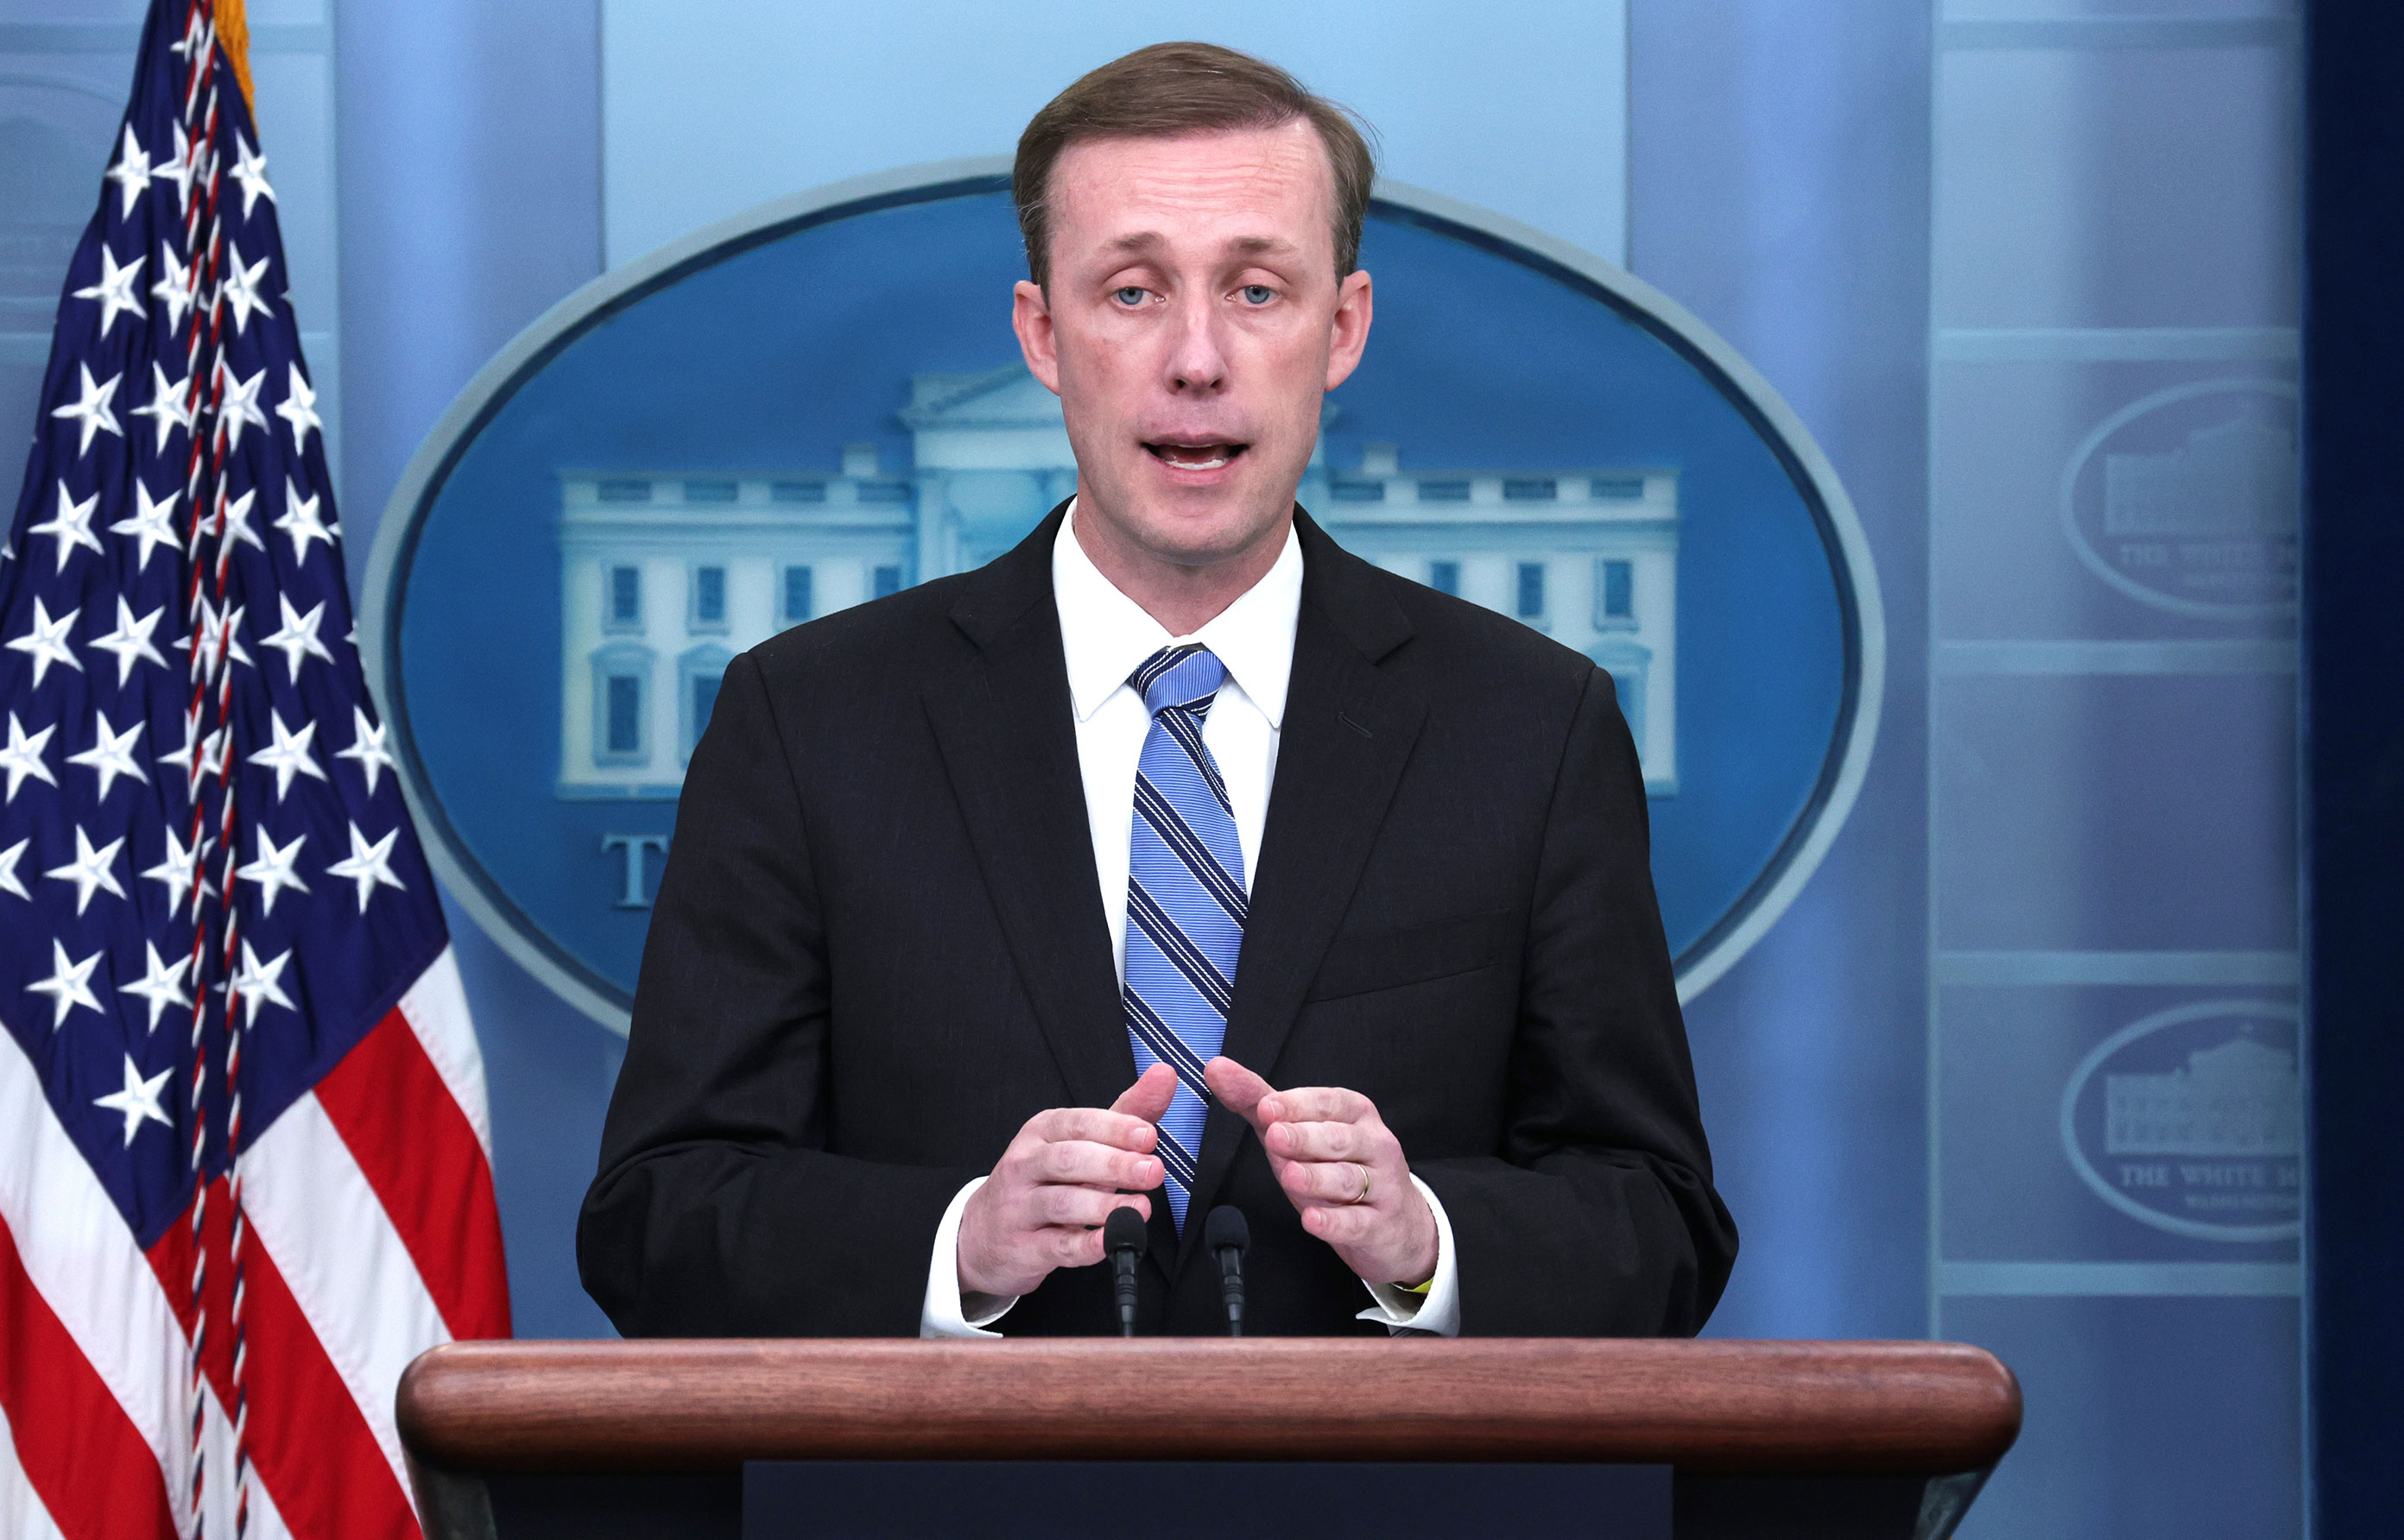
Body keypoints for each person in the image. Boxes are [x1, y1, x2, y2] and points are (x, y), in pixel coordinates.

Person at [579, 41, 1735, 1338]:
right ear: (1042, 334)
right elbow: (657, 1218)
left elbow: (1658, 1223)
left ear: (1341, 327)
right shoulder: (809, 722)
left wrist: (1430, 1244)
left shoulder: (1531, 728)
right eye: (1132, 293)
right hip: (939, 1531)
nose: (1197, 359)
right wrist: (961, 1243)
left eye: (1256, 289)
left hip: (1382, 1534)